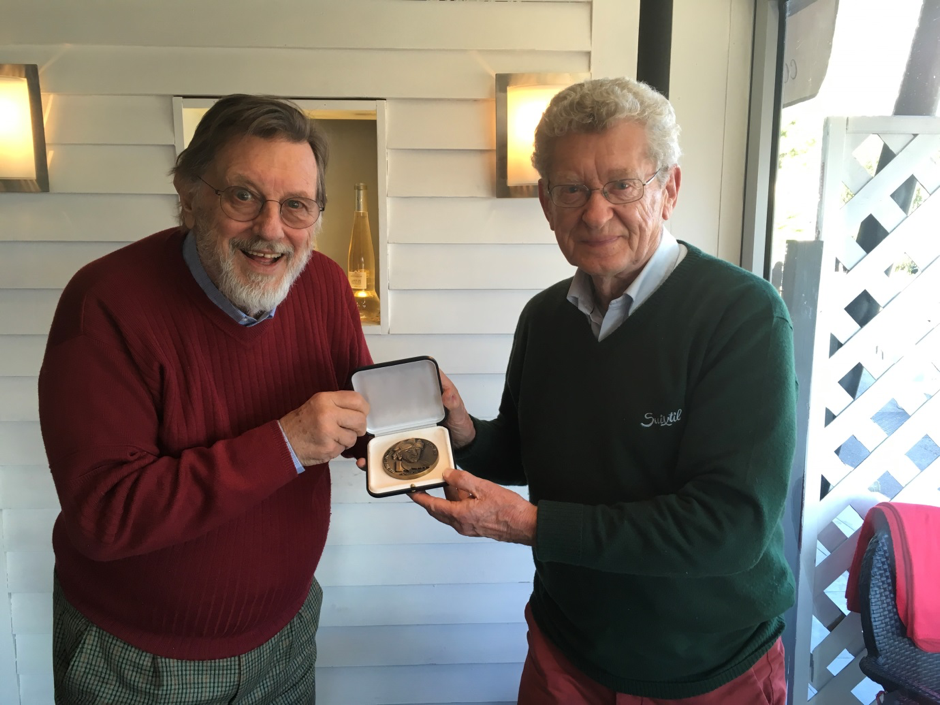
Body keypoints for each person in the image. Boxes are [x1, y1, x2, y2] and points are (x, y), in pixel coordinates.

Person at [411, 77, 797, 704]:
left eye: (622, 185)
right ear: (545, 201)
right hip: (565, 652)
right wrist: (464, 432)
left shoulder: (743, 315)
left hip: (709, 670)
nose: (595, 213)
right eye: (572, 189)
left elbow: (731, 527)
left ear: (668, 189)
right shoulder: (544, 317)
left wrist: (534, 526)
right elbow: (525, 449)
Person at [38, 94, 372, 704]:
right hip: (136, 660)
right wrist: (286, 444)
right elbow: (104, 514)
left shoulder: (322, 283)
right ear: (189, 194)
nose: (272, 229)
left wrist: (433, 423)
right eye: (244, 196)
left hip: (287, 633)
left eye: (296, 206)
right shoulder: (105, 302)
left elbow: (357, 414)